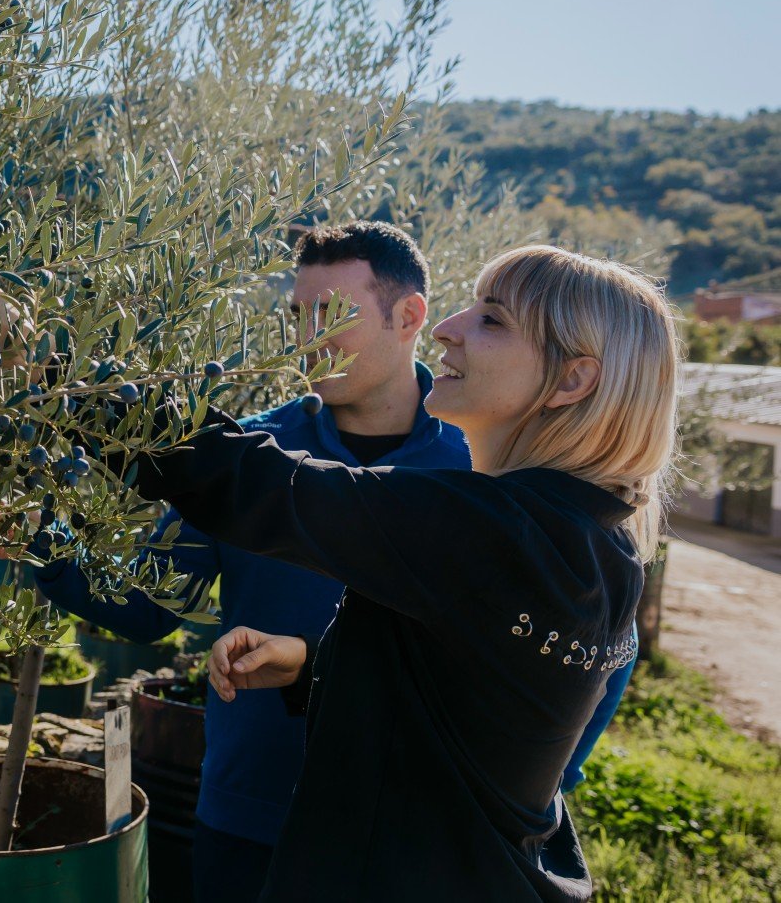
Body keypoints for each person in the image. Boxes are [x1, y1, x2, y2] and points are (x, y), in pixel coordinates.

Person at [37, 225, 633, 900]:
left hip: (398, 860)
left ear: (404, 316)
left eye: (491, 318)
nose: (450, 329)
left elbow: (251, 485)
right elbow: (152, 599)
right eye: (298, 315)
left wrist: (47, 372)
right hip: (265, 819)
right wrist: (308, 662)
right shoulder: (598, 535)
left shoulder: (466, 502)